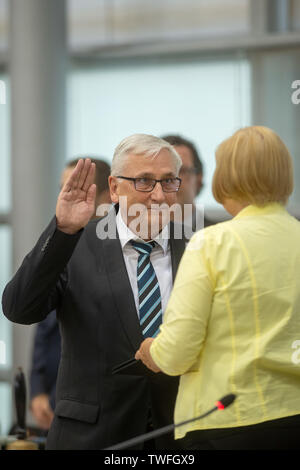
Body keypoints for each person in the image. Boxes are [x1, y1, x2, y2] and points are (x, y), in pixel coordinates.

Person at [2, 134, 187, 450]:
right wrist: (62, 231)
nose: (158, 195)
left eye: (168, 181)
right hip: (91, 436)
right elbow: (20, 308)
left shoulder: (199, 247)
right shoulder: (74, 243)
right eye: (144, 181)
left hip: (178, 434)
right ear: (114, 188)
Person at [136, 126, 300, 450]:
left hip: (225, 422)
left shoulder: (212, 242)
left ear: (225, 178)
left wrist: (152, 352)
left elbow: (177, 350)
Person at [29, 157, 111, 432]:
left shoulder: (119, 252)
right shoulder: (60, 242)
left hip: (96, 407)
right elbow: (43, 324)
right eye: (64, 187)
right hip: (57, 401)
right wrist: (38, 389)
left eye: (78, 187)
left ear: (107, 194)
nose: (68, 195)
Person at [162, 134, 214, 229]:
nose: (172, 181)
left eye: (181, 171)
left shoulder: (221, 237)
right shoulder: (135, 237)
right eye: (163, 173)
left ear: (199, 178)